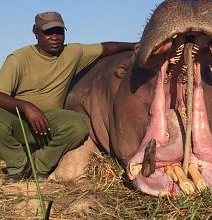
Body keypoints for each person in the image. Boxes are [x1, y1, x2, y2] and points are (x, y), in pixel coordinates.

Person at [0, 11, 137, 182]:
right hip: (20, 120)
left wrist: (133, 45)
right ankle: (18, 165)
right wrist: (27, 108)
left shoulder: (72, 52)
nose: (55, 37)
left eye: (59, 31)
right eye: (48, 32)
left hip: (50, 121)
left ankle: (38, 166)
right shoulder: (18, 58)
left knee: (78, 125)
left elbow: (104, 48)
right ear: (36, 33)